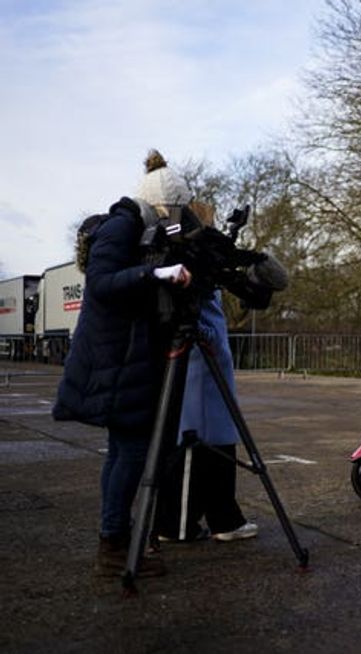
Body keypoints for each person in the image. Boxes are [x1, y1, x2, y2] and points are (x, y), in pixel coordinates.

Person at [53, 149, 193, 577]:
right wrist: (155, 275)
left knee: (122, 449)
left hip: (122, 358)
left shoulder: (132, 226)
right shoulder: (121, 226)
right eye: (172, 210)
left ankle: (116, 537)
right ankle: (114, 545)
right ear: (159, 205)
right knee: (130, 450)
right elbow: (100, 283)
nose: (174, 219)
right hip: (117, 360)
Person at [154, 202, 258, 544]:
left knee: (219, 447)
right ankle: (177, 524)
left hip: (211, 373)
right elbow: (192, 318)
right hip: (198, 369)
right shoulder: (183, 266)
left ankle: (224, 518)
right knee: (192, 446)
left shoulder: (203, 270)